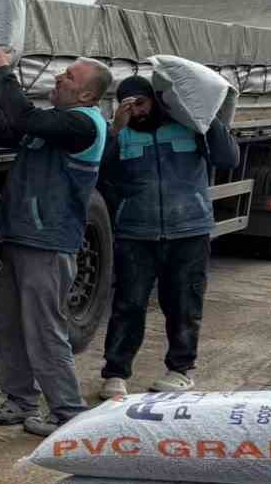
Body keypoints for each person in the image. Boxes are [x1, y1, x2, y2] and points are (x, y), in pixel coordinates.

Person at [0, 40, 113, 436]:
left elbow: (23, 118)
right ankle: (19, 401)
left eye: (69, 76)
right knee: (10, 327)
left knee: (44, 329)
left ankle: (68, 412)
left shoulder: (84, 124)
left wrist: (4, 71)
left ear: (86, 94)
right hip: (22, 236)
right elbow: (0, 133)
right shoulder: (55, 124)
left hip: (48, 243)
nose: (59, 76)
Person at [96, 76, 241, 399]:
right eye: (128, 104)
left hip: (189, 230)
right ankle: (116, 373)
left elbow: (229, 159)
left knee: (183, 304)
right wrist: (115, 130)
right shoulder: (120, 133)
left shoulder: (189, 126)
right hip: (136, 233)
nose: (136, 109)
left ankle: (180, 370)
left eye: (141, 102)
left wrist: (207, 116)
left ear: (157, 100)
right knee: (128, 305)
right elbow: (96, 171)